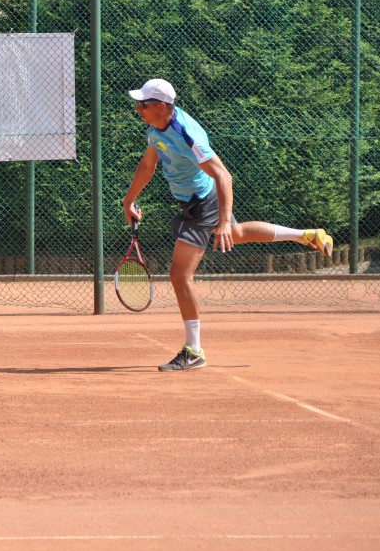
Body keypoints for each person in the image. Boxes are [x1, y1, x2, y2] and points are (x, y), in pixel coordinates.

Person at [121, 79, 333, 372]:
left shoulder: (186, 134)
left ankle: (194, 351)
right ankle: (306, 235)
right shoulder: (155, 128)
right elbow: (148, 165)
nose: (138, 109)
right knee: (238, 233)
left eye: (143, 104)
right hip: (196, 201)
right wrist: (129, 200)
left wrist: (221, 221)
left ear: (161, 106)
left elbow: (224, 176)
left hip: (202, 203)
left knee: (180, 276)